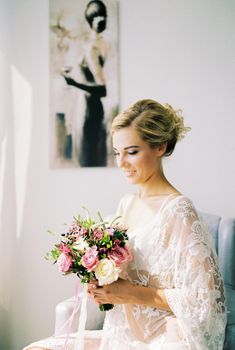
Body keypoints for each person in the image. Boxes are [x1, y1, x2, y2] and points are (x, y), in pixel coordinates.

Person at [23, 99, 227, 350]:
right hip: (122, 334)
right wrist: (99, 282)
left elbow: (206, 302)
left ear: (160, 146)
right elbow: (120, 272)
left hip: (165, 338)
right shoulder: (126, 204)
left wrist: (130, 293)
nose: (121, 163)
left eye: (131, 152)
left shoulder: (179, 210)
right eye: (117, 153)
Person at [62, 0, 108, 167]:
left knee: (88, 160)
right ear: (91, 20)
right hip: (85, 110)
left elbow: (103, 90)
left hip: (89, 111)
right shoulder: (92, 45)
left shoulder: (94, 48)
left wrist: (74, 83)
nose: (103, 19)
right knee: (88, 159)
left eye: (104, 15)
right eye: (98, 16)